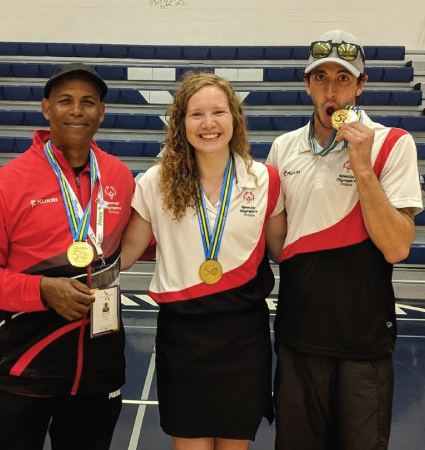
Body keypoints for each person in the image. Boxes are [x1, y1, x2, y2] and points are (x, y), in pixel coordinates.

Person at [266, 30, 424, 450]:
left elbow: (396, 247)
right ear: (307, 84)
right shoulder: (282, 148)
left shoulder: (393, 144)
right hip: (298, 335)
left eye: (342, 78)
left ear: (361, 85)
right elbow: (278, 246)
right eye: (321, 78)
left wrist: (362, 166)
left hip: (363, 339)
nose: (331, 89)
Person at [120, 71, 286, 450]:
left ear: (234, 119)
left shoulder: (265, 180)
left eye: (218, 112)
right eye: (196, 114)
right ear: (181, 124)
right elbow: (126, 255)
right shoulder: (155, 182)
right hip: (184, 339)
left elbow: (281, 251)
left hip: (244, 338)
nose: (208, 124)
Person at [0, 63, 134, 450]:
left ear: (101, 112)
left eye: (88, 102)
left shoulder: (119, 176)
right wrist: (41, 289)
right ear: (47, 109)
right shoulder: (7, 182)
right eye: (65, 101)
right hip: (24, 364)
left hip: (99, 365)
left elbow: (140, 243)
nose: (77, 110)